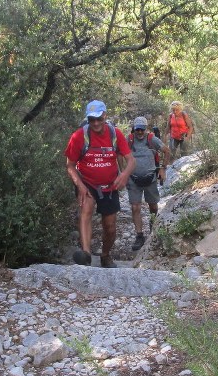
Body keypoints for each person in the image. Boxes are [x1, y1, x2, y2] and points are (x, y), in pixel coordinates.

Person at [64, 100, 133, 268]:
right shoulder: (79, 136)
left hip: (110, 186)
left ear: (104, 116)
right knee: (85, 211)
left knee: (110, 227)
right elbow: (70, 165)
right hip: (87, 183)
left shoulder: (115, 134)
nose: (95, 123)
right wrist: (80, 185)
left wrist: (124, 175)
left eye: (98, 119)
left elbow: (131, 160)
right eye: (91, 119)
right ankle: (86, 254)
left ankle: (105, 255)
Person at [126, 116, 170, 250]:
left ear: (146, 129)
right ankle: (139, 235)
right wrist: (124, 172)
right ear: (134, 129)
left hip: (150, 178)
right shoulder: (129, 140)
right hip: (133, 179)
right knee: (135, 207)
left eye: (142, 129)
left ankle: (153, 225)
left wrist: (163, 169)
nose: (139, 132)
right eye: (137, 129)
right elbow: (119, 153)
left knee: (153, 206)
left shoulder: (152, 139)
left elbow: (166, 151)